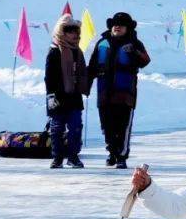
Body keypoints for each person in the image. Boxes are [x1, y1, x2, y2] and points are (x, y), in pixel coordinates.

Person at [87, 12, 150, 168]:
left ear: (127, 28)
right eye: (115, 24)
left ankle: (121, 156)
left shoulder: (135, 43)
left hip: (125, 94)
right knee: (106, 127)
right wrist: (85, 84)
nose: (117, 27)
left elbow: (145, 61)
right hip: (104, 93)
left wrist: (134, 52)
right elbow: (93, 66)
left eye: (121, 25)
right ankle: (112, 152)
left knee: (122, 127)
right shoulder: (102, 43)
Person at [44, 14, 90, 169]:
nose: (74, 33)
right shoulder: (54, 52)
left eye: (76, 30)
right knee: (56, 129)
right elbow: (49, 76)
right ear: (61, 32)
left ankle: (73, 156)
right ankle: (57, 157)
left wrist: (85, 85)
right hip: (58, 96)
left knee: (76, 127)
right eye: (70, 30)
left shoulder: (78, 52)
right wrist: (51, 95)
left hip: (74, 97)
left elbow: (82, 73)